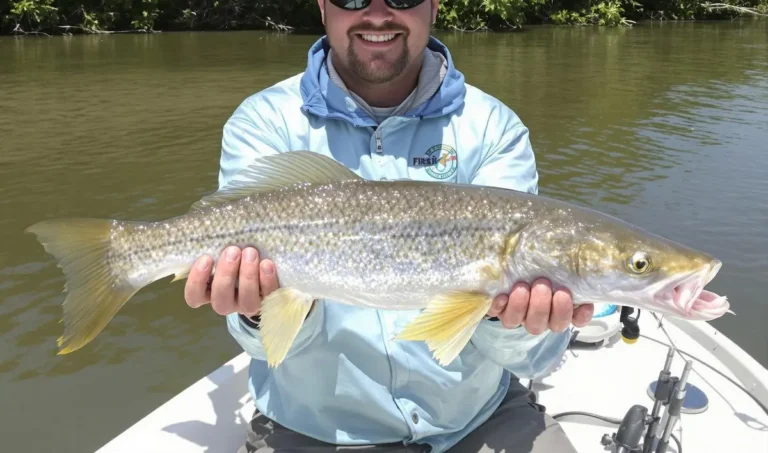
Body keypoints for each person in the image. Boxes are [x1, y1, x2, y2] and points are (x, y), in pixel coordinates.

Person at [184, 1, 595, 452]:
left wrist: (511, 322)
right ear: (322, 6)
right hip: (310, 429)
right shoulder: (265, 121)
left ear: (434, 5)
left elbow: (530, 358)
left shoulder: (493, 128)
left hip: (479, 419)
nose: (377, 14)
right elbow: (266, 347)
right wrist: (256, 311)